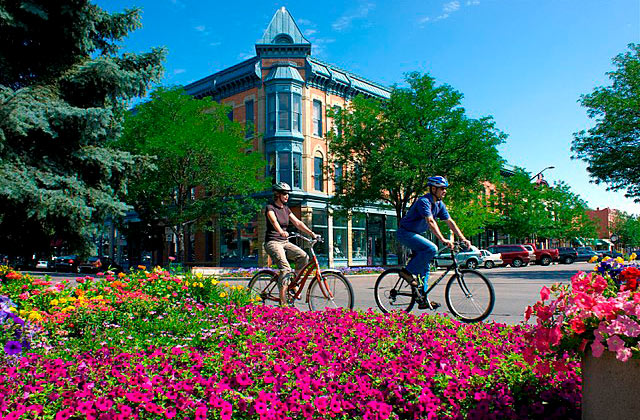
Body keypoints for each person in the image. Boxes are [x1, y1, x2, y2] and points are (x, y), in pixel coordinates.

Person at [396, 176, 472, 309]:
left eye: (445, 189)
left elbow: (450, 222)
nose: (445, 191)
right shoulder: (424, 201)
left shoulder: (439, 205)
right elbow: (430, 221)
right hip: (405, 233)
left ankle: (422, 299)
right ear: (433, 189)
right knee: (432, 248)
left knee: (425, 268)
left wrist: (462, 238)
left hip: (415, 234)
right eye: (442, 188)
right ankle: (406, 272)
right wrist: (443, 239)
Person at [264, 182, 318, 306]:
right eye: (284, 193)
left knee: (303, 256)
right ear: (277, 194)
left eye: (288, 194)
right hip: (273, 242)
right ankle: (283, 304)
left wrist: (311, 233)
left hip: (284, 242)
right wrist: (281, 231)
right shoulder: (270, 207)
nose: (287, 196)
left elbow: (298, 223)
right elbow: (273, 221)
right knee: (286, 269)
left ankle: (293, 283)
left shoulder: (286, 209)